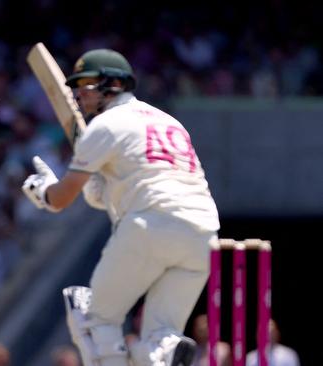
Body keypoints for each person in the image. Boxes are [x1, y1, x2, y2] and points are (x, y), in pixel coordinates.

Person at [22, 48, 219, 366]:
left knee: (93, 318)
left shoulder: (106, 125)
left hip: (149, 226)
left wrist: (42, 191)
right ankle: (164, 351)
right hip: (203, 238)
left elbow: (61, 199)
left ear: (113, 84)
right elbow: (122, 185)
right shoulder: (169, 122)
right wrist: (100, 190)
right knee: (159, 339)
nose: (77, 94)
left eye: (85, 84)